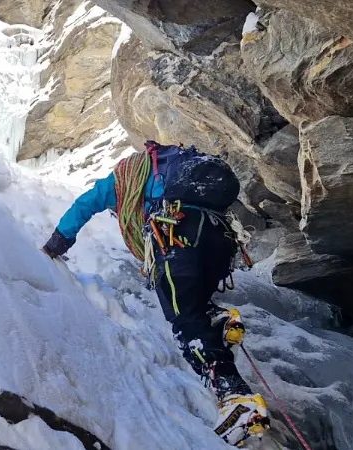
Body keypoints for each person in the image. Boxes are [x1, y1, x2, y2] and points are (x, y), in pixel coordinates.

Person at [42, 141, 270, 446]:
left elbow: (85, 203)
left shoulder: (123, 178)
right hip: (219, 237)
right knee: (195, 304)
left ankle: (234, 393)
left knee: (184, 320)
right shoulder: (170, 170)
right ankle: (217, 318)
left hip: (176, 234)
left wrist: (56, 244)